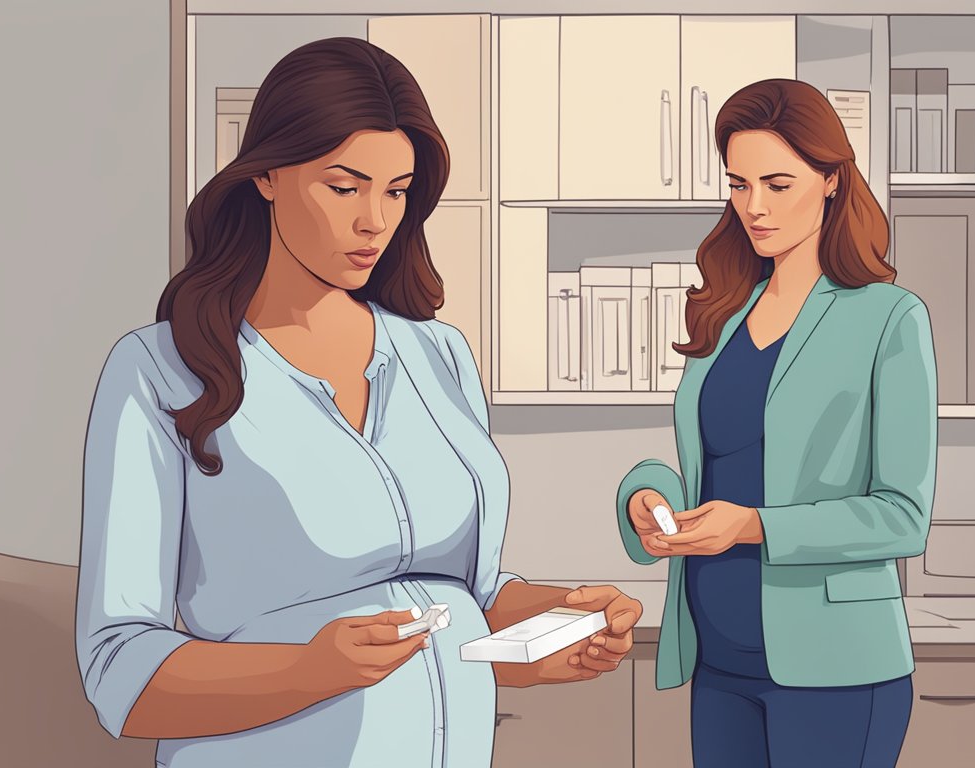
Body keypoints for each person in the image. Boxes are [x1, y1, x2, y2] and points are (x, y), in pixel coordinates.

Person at [76, 37, 642, 768]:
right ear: (269, 176)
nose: (376, 219)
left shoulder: (439, 358)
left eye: (397, 190)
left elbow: (461, 599)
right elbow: (119, 668)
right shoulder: (159, 372)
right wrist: (305, 671)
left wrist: (559, 624)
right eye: (345, 188)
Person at [616, 78, 938, 768]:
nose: (753, 208)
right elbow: (715, 461)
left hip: (835, 668)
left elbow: (902, 515)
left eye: (777, 184)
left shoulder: (888, 318)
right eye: (738, 184)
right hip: (719, 659)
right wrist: (648, 497)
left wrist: (754, 525)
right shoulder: (725, 312)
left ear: (830, 180)